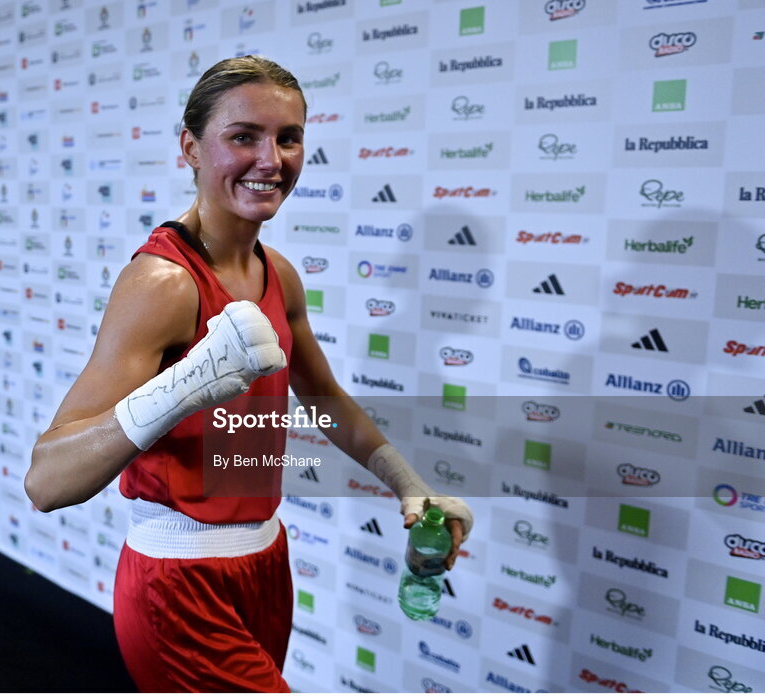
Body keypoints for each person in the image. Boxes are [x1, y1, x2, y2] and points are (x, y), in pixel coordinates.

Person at [24, 55, 474, 692]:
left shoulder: (278, 272)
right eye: (243, 137)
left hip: (265, 562)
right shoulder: (163, 283)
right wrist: (186, 385)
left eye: (288, 138)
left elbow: (319, 394)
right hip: (178, 585)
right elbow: (46, 481)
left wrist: (408, 484)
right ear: (191, 148)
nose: (272, 160)